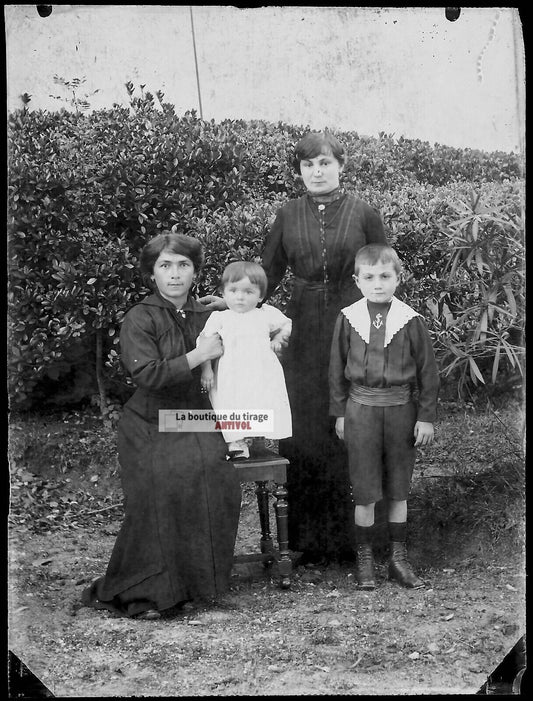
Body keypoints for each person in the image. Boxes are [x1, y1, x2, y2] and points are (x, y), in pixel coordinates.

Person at [201, 131, 387, 564]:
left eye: (324, 163)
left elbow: (383, 272)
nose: (316, 172)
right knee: (304, 425)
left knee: (353, 420)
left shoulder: (364, 212)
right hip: (301, 330)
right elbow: (265, 274)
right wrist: (228, 302)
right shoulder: (287, 214)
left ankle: (359, 542)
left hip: (352, 324)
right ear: (299, 171)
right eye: (307, 165)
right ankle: (306, 540)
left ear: (341, 165)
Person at [81, 232, 242, 620]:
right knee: (167, 479)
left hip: (197, 416)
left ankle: (196, 585)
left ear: (195, 271)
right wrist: (198, 355)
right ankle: (149, 589)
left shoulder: (210, 313)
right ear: (151, 274)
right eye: (165, 266)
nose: (174, 275)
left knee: (216, 478)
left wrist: (235, 307)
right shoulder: (142, 316)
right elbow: (148, 375)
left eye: (183, 265)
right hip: (150, 420)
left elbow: (259, 324)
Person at [329, 244, 440, 589]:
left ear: (397, 278)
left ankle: (398, 559)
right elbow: (335, 371)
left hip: (400, 412)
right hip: (360, 410)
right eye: (370, 277)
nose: (378, 284)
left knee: (398, 488)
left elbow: (429, 374)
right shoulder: (348, 319)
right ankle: (365, 562)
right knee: (364, 488)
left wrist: (426, 417)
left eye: (385, 276)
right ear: (357, 281)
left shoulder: (410, 321)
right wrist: (340, 413)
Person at [200, 261, 292, 459]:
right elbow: (204, 343)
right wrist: (206, 370)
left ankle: (258, 437)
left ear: (260, 296)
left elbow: (286, 324)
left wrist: (278, 338)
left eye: (248, 292)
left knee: (261, 399)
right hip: (231, 373)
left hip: (261, 370)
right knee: (231, 403)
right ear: (224, 293)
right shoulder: (220, 318)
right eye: (233, 291)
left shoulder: (265, 314)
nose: (240, 297)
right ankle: (237, 442)